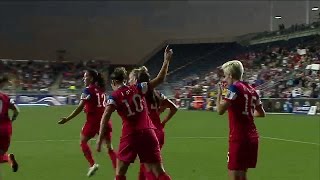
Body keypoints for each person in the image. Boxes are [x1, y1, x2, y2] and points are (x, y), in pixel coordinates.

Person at [96, 45, 173, 180]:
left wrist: (100, 138)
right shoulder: (138, 88)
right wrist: (166, 60)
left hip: (131, 135)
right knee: (158, 171)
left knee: (120, 173)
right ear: (125, 80)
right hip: (149, 133)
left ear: (114, 82)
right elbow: (160, 79)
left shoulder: (114, 96)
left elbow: (105, 116)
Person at [58, 69, 116, 177]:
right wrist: (88, 108)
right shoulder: (101, 90)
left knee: (83, 141)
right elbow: (99, 105)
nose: (84, 79)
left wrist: (67, 119)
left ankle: (92, 164)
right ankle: (118, 172)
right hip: (106, 121)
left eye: (86, 77)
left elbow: (80, 108)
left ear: (92, 78)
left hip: (94, 122)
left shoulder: (88, 90)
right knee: (109, 148)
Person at [216, 60, 266, 180]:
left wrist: (219, 93)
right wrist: (246, 113)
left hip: (239, 137)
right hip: (252, 137)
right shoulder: (252, 90)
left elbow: (220, 110)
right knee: (242, 175)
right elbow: (261, 113)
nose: (224, 79)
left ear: (231, 75)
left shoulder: (234, 88)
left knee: (235, 176)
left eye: (225, 76)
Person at [128, 66, 178, 180]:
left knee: (151, 169)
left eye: (130, 79)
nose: (129, 81)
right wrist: (163, 121)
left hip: (147, 133)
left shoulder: (138, 94)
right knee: (146, 166)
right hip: (159, 132)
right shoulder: (158, 94)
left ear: (136, 80)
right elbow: (174, 108)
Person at [0, 75, 20, 175]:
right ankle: (8, 158)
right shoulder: (6, 98)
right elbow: (17, 111)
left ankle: (7, 158)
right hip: (5, 129)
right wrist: (12, 119)